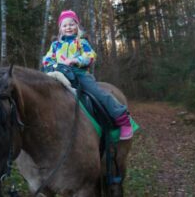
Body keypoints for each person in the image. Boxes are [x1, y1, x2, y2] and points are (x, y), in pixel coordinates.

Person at [42, 10, 133, 140]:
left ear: (77, 27)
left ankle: (122, 119)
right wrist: (53, 63)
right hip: (59, 74)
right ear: (60, 29)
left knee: (98, 94)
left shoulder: (81, 43)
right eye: (65, 25)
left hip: (79, 75)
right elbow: (46, 59)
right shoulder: (55, 45)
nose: (68, 27)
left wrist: (76, 60)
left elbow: (91, 56)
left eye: (72, 24)